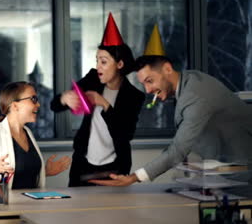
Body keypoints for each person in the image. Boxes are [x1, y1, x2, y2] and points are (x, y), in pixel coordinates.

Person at [91, 55, 252, 186]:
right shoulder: (189, 80)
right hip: (228, 172)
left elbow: (178, 150)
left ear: (167, 69)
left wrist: (134, 177)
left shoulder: (194, 96)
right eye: (143, 84)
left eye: (150, 81)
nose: (147, 90)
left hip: (244, 172)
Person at [51, 13, 145, 187]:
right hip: (84, 162)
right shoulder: (92, 79)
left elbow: (125, 134)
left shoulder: (134, 96)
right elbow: (54, 105)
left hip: (115, 166)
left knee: (111, 211)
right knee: (78, 210)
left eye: (103, 61)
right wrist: (65, 98)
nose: (98, 67)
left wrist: (104, 103)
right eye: (97, 61)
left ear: (120, 64)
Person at [0, 81, 71, 190]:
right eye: (33, 99)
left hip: (32, 204)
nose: (38, 104)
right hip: (3, 205)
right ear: (15, 106)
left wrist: (46, 172)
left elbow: (22, 175)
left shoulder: (28, 132)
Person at [27, 62, 54, 139]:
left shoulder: (48, 93)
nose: (36, 79)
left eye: (37, 76)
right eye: (34, 77)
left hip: (45, 132)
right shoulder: (25, 94)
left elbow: (50, 115)